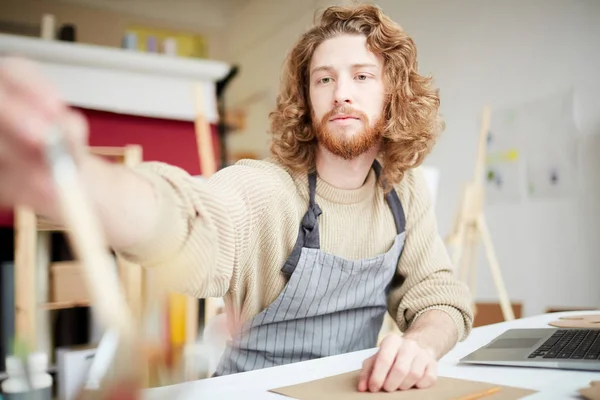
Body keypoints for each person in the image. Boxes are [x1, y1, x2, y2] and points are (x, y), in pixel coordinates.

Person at [0, 3, 473, 394]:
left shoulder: (401, 191)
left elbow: (440, 297)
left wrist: (420, 345)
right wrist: (78, 178)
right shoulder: (267, 189)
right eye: (324, 79)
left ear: (393, 94)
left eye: (362, 77)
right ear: (307, 102)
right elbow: (190, 220)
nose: (341, 94)